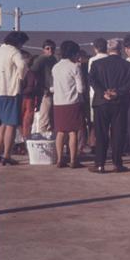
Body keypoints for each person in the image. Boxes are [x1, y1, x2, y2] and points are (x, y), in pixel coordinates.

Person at [88, 38, 130, 173]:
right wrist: (117, 92)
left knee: (101, 133)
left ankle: (99, 164)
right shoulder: (129, 66)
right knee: (118, 133)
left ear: (108, 49)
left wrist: (103, 92)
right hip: (120, 102)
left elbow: (92, 80)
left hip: (101, 102)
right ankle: (117, 163)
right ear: (120, 49)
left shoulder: (97, 64)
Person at [0, 31, 29, 165]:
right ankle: (7, 155)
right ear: (18, 42)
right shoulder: (14, 52)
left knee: (2, 123)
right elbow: (22, 66)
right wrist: (20, 78)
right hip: (11, 91)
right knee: (11, 124)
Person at [51, 40, 85, 169]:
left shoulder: (56, 67)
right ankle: (73, 160)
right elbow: (80, 88)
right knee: (73, 132)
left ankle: (59, 159)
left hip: (58, 103)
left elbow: (53, 87)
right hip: (72, 103)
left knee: (60, 132)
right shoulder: (75, 67)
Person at [30, 39, 57, 136]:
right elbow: (33, 72)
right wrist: (42, 86)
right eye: (47, 48)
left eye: (52, 48)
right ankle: (43, 135)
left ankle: (50, 135)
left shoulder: (54, 59)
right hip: (45, 91)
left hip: (53, 90)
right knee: (45, 115)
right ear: (43, 50)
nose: (50, 50)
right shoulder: (41, 59)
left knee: (52, 116)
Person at [87, 38, 109, 152]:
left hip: (94, 94)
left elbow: (91, 78)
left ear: (95, 48)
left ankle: (94, 144)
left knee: (94, 122)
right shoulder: (110, 59)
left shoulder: (92, 60)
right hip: (109, 94)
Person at [19, 50, 39, 141]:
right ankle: (23, 140)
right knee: (25, 121)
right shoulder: (28, 72)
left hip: (27, 98)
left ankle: (24, 140)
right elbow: (31, 87)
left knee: (25, 121)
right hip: (26, 98)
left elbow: (31, 87)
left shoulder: (29, 73)